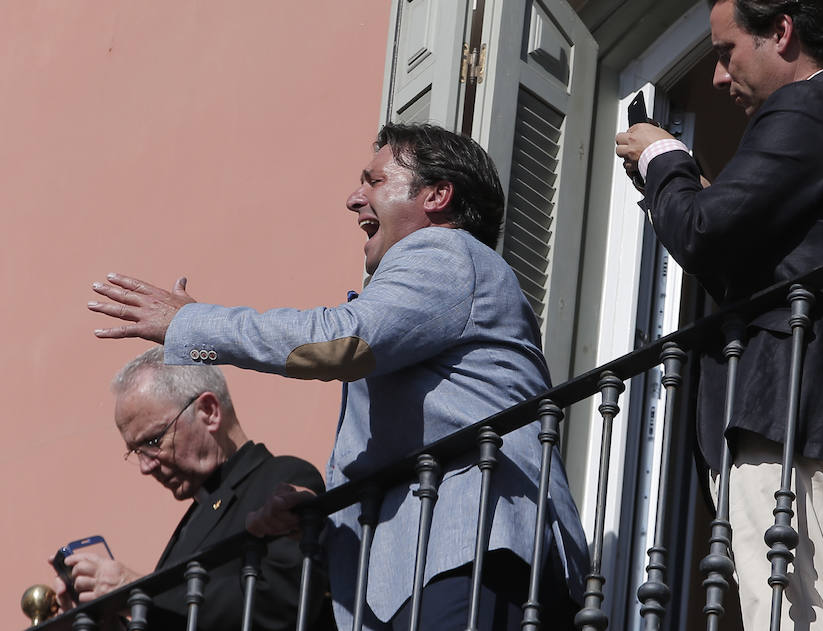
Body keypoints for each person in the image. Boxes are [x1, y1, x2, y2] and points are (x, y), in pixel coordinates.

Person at [86, 123, 590, 630]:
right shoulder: (437, 283)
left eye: (374, 181)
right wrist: (319, 515)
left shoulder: (446, 252)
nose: (355, 199)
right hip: (425, 568)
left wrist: (190, 325)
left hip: (468, 550)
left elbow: (342, 341)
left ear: (437, 196)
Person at [615, 1, 823, 629]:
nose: (718, 76)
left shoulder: (803, 107)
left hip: (791, 419)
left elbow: (705, 235)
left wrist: (666, 156)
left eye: (725, 52)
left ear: (782, 31)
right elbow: (766, 253)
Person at [52, 346, 330, 630]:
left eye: (152, 442)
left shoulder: (283, 477)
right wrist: (105, 621)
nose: (146, 467)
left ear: (209, 412)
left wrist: (135, 592)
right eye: (136, 452)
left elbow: (281, 605)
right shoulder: (197, 514)